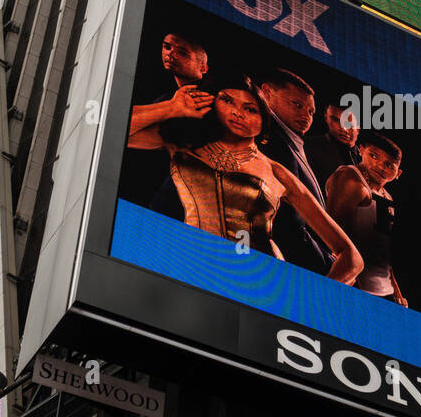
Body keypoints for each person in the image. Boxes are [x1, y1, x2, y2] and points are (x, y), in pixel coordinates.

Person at [126, 73, 362, 284]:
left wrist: (319, 298)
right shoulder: (185, 145)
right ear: (213, 102)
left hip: (263, 278)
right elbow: (113, 124)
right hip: (193, 265)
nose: (238, 113)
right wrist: (171, 108)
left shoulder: (276, 171)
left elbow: (351, 258)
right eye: (228, 101)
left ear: (263, 120)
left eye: (250, 109)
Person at [258, 69, 334, 275]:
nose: (306, 116)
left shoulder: (290, 140)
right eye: (297, 105)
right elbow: (287, 224)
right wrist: (327, 268)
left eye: (310, 112)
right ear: (267, 93)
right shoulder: (271, 140)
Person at [326, 136, 407, 304]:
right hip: (352, 285)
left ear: (398, 173)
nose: (379, 166)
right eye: (374, 156)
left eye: (389, 164)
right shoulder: (349, 177)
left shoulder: (387, 196)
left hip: (382, 291)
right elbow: (333, 237)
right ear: (361, 150)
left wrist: (395, 289)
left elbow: (382, 249)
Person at [305, 101, 361, 192]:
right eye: (335, 120)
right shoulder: (308, 146)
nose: (343, 128)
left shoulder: (366, 158)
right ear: (326, 118)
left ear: (358, 126)